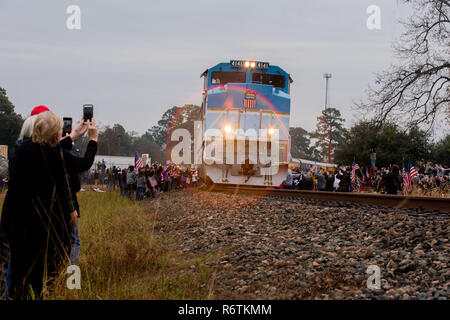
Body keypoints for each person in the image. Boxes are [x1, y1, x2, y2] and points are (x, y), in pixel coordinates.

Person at [1, 110, 77, 299]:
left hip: (19, 223)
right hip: (46, 223)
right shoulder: (51, 156)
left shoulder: (20, 153)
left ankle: (11, 293)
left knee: (14, 264)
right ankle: (69, 285)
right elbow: (72, 183)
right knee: (66, 250)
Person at [61, 118, 98, 265]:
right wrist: (93, 139)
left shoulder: (38, 152)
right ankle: (72, 279)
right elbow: (82, 167)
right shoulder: (65, 154)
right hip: (69, 204)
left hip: (47, 207)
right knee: (74, 240)